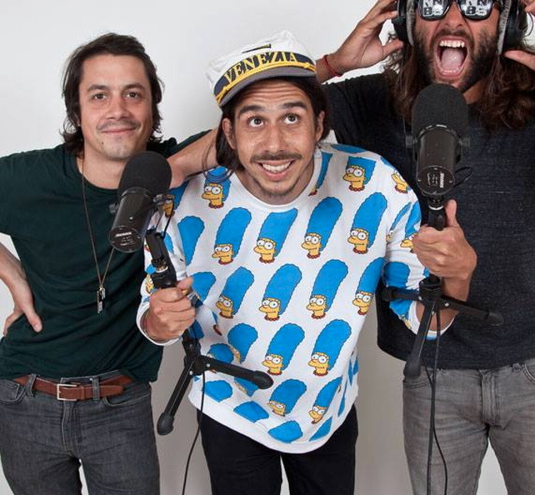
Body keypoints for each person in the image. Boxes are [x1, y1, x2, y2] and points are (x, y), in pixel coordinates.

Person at [315, 0, 535, 494]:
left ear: (507, 20)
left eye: (476, 5)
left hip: (534, 367)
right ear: (407, 18)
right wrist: (335, 64)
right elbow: (252, 130)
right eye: (432, 4)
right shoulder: (372, 100)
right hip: (433, 367)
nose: (452, 19)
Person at [137, 30, 476, 494]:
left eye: (292, 118)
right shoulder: (181, 203)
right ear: (228, 133)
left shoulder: (375, 185)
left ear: (319, 125)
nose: (275, 143)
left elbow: (427, 321)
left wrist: (458, 276)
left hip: (327, 408)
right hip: (227, 404)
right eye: (255, 121)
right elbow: (152, 318)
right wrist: (159, 321)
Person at [0, 33, 213, 495]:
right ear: (76, 111)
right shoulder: (28, 179)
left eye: (133, 94)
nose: (118, 110)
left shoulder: (166, 170)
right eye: (99, 95)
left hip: (121, 403)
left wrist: (334, 64)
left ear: (152, 109)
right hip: (25, 397)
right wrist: (11, 273)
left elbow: (256, 117)